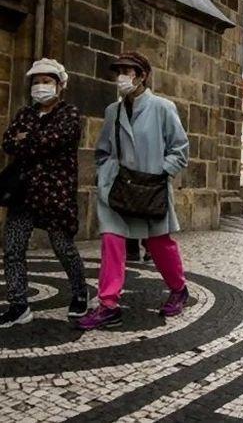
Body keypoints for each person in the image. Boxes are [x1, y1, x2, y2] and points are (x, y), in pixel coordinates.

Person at [78, 52, 190, 330]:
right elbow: (103, 150)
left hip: (150, 188)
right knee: (112, 241)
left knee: (157, 243)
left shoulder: (163, 108)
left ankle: (179, 289)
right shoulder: (112, 111)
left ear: (142, 76)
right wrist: (106, 175)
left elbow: (180, 149)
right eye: (119, 72)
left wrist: (161, 171)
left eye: (128, 71)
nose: (122, 77)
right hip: (118, 188)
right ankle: (108, 305)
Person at [0, 59, 89, 328]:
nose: (41, 86)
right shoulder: (25, 114)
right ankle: (18, 304)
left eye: (47, 81)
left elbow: (51, 141)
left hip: (55, 193)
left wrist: (25, 140)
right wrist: (28, 141)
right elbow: (7, 142)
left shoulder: (69, 114)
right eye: (37, 81)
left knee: (63, 247)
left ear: (60, 85)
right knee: (13, 248)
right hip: (23, 192)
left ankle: (80, 292)